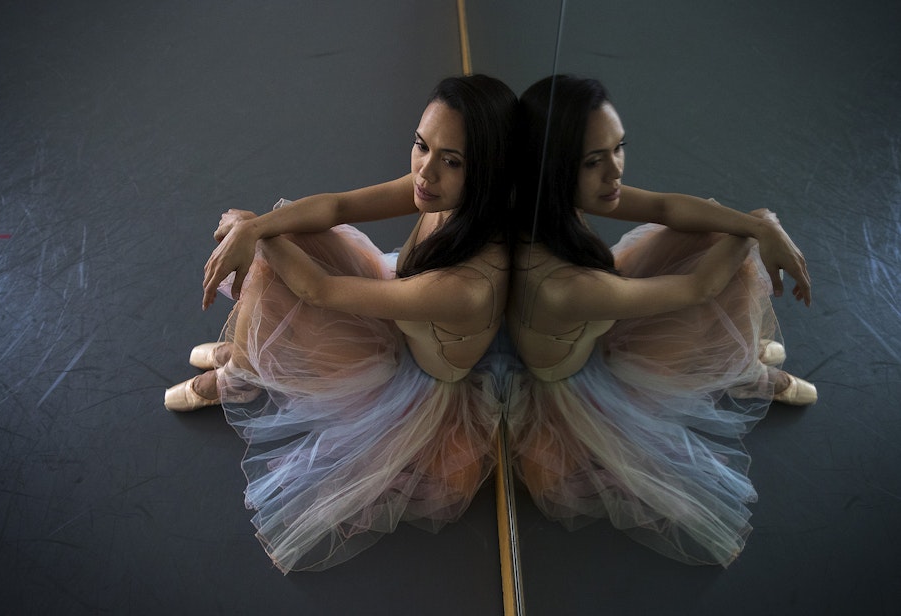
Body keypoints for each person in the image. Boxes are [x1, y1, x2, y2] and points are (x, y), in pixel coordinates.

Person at [164, 75, 517, 574]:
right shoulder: (443, 195)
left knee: (278, 259)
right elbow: (340, 206)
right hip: (402, 311)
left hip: (409, 374)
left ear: (488, 172)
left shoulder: (471, 284)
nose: (426, 171)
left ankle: (240, 376)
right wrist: (261, 225)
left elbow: (320, 292)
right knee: (294, 228)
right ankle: (243, 361)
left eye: (452, 161)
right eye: (422, 145)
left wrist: (252, 230)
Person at [505, 74, 817, 567]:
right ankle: (738, 368)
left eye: (618, 148)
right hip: (584, 369)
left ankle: (732, 354)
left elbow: (664, 206)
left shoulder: (548, 197)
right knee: (725, 250)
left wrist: (754, 226)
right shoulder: (557, 283)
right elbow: (698, 290)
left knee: (712, 224)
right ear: (553, 167)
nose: (615, 173)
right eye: (593, 161)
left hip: (600, 313)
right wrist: (761, 222)